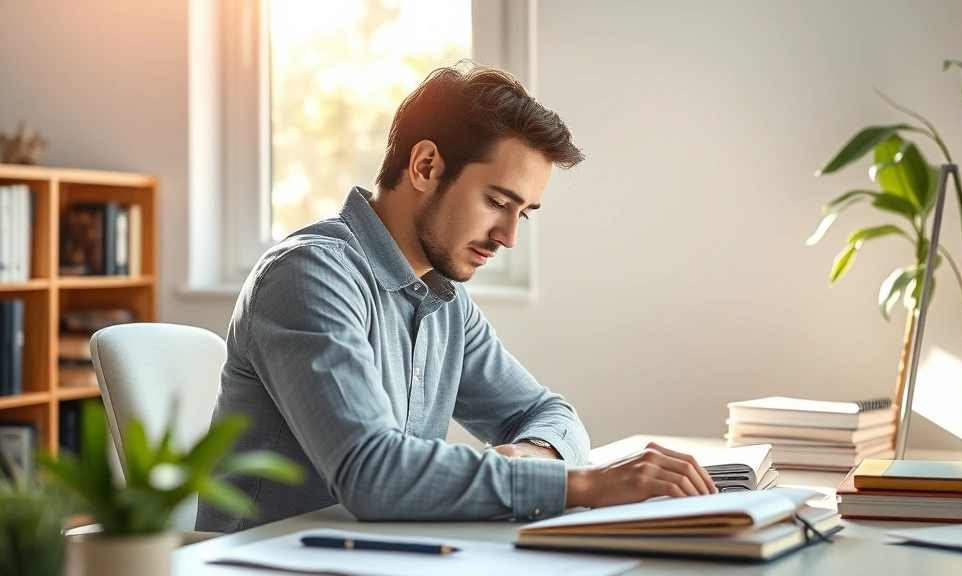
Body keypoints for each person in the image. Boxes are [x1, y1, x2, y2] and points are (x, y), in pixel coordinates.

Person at [196, 61, 716, 533]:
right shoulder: (309, 275)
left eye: (525, 213)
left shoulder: (443, 300)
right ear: (425, 166)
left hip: (385, 555)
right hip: (269, 563)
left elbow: (546, 412)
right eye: (497, 202)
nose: (509, 236)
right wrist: (581, 485)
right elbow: (371, 472)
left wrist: (536, 456)